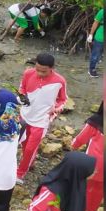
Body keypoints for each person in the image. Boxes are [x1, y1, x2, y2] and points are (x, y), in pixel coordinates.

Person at [16, 52, 68, 183]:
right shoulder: (28, 73)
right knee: (23, 143)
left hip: (41, 121)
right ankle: (30, 162)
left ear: (52, 68)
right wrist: (22, 98)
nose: (39, 73)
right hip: (24, 115)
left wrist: (56, 110)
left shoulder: (60, 81)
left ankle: (20, 173)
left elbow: (63, 100)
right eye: (37, 69)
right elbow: (22, 89)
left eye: (43, 71)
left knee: (30, 149)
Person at [70, 102, 104, 211]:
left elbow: (82, 137)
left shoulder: (96, 121)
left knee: (84, 185)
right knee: (100, 189)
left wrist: (74, 145)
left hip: (93, 162)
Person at [87, 8, 104, 78]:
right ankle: (91, 69)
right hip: (100, 37)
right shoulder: (102, 11)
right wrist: (91, 34)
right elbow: (96, 23)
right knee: (95, 55)